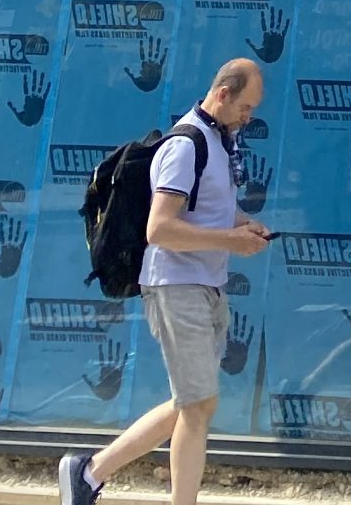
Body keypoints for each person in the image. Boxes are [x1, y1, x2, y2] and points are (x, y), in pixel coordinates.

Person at [59, 60, 271, 505]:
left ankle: (88, 473)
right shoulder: (186, 145)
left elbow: (208, 207)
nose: (248, 117)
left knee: (192, 403)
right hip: (177, 285)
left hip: (207, 285)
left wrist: (243, 225)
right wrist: (230, 240)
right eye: (246, 107)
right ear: (223, 94)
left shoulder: (217, 141)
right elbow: (159, 228)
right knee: (197, 406)